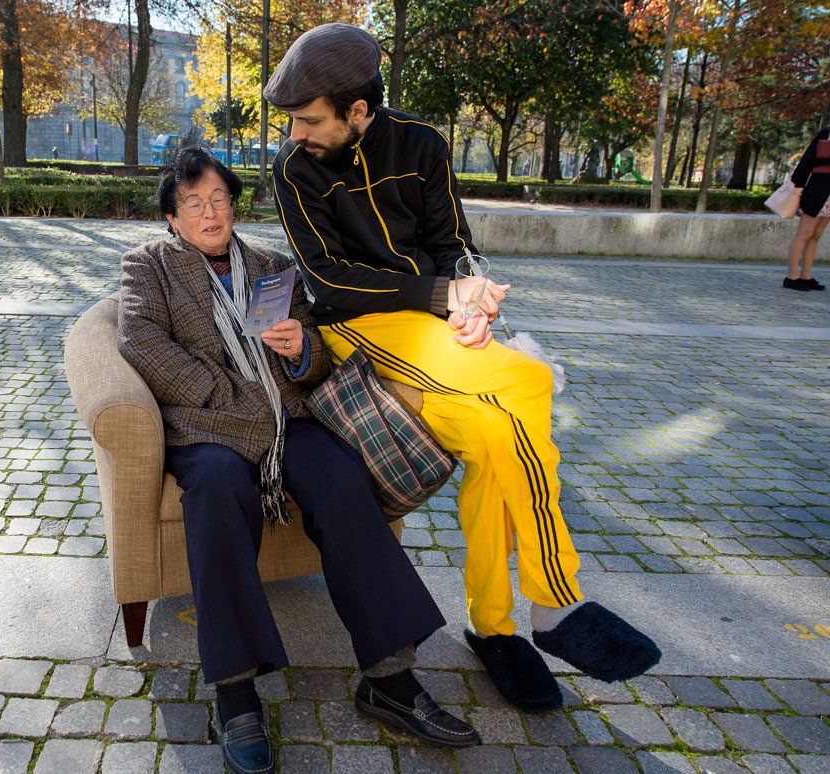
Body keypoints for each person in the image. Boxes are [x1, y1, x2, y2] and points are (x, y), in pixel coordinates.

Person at [266, 23, 661, 714]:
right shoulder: (295, 168)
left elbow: (454, 244)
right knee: (530, 381)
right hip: (358, 330)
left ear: (358, 110)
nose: (295, 133)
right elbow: (328, 280)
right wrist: (441, 295)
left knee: (498, 436)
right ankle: (556, 600)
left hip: (434, 324)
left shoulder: (422, 143)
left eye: (309, 120)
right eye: (292, 121)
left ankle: (492, 625)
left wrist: (471, 299)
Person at [117, 145, 480, 773]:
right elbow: (140, 341)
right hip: (210, 426)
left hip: (287, 418)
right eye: (193, 204)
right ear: (172, 217)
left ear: (234, 206)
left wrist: (299, 350)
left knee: (342, 479)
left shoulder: (271, 265)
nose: (210, 213)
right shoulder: (149, 265)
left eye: (219, 199)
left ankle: (389, 677)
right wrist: (224, 394)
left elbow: (316, 348)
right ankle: (236, 691)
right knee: (219, 489)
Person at [783, 126, 830, 291]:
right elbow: (809, 161)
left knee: (816, 235)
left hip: (829, 197)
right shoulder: (826, 134)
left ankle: (806, 276)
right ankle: (791, 277)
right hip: (817, 191)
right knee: (804, 233)